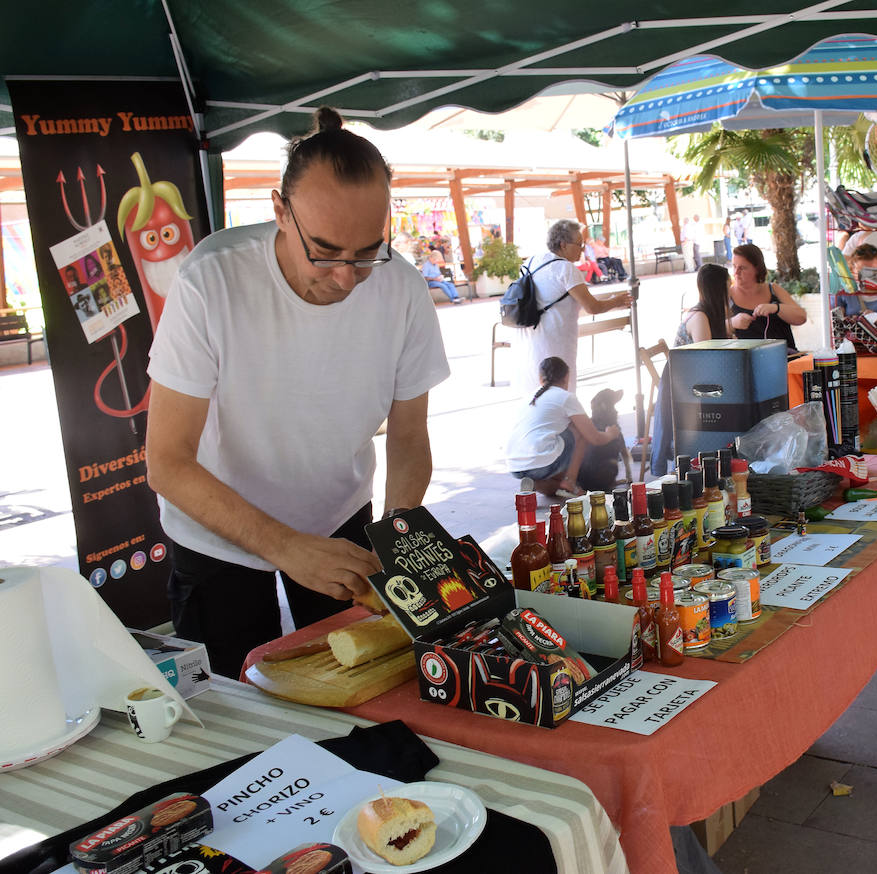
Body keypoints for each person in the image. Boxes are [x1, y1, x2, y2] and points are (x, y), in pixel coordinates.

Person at [144, 107, 450, 677]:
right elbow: (166, 462)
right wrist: (284, 546)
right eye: (326, 250)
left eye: (366, 252)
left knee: (364, 689)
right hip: (220, 531)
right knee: (233, 709)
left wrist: (398, 535)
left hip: (339, 512)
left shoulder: (402, 288)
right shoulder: (211, 280)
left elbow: (409, 436)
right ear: (280, 211)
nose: (345, 276)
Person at [515, 219, 632, 398]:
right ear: (563, 244)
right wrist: (617, 301)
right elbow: (592, 307)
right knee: (560, 398)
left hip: (529, 343)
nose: (583, 249)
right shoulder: (566, 269)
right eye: (579, 244)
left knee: (536, 399)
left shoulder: (532, 262)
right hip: (555, 345)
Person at [650, 264, 735, 475]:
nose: (731, 293)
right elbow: (706, 363)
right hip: (683, 388)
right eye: (728, 287)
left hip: (690, 383)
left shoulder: (708, 315)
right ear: (719, 290)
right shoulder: (699, 317)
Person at [506, 356, 621, 498]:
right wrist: (611, 434)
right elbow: (594, 438)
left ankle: (535, 484)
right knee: (580, 431)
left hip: (515, 465)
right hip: (541, 464)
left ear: (540, 378)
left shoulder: (529, 397)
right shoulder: (566, 397)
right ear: (566, 377)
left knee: (552, 487)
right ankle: (569, 482)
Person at [728, 244, 806, 351]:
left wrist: (776, 308)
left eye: (742, 268)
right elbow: (711, 328)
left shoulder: (773, 289)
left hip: (784, 358)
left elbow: (801, 317)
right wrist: (732, 323)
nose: (736, 272)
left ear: (757, 269)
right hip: (746, 362)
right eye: (734, 266)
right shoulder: (727, 295)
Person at [843, 243, 877, 313]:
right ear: (852, 268)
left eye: (873, 272)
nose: (867, 278)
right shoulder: (845, 291)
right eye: (862, 272)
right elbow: (833, 318)